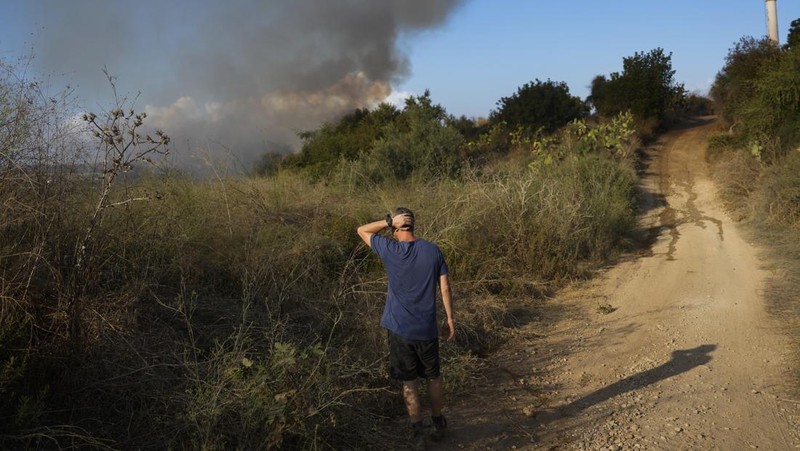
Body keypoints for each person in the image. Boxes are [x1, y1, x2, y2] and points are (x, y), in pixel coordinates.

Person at [357, 207, 455, 450]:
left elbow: (361, 230)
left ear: (397, 227)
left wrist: (387, 221)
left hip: (400, 330)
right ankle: (438, 422)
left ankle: (417, 433)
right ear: (414, 225)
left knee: (409, 382)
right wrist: (450, 319)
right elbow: (444, 287)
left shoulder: (390, 250)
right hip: (427, 329)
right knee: (433, 378)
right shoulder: (432, 250)